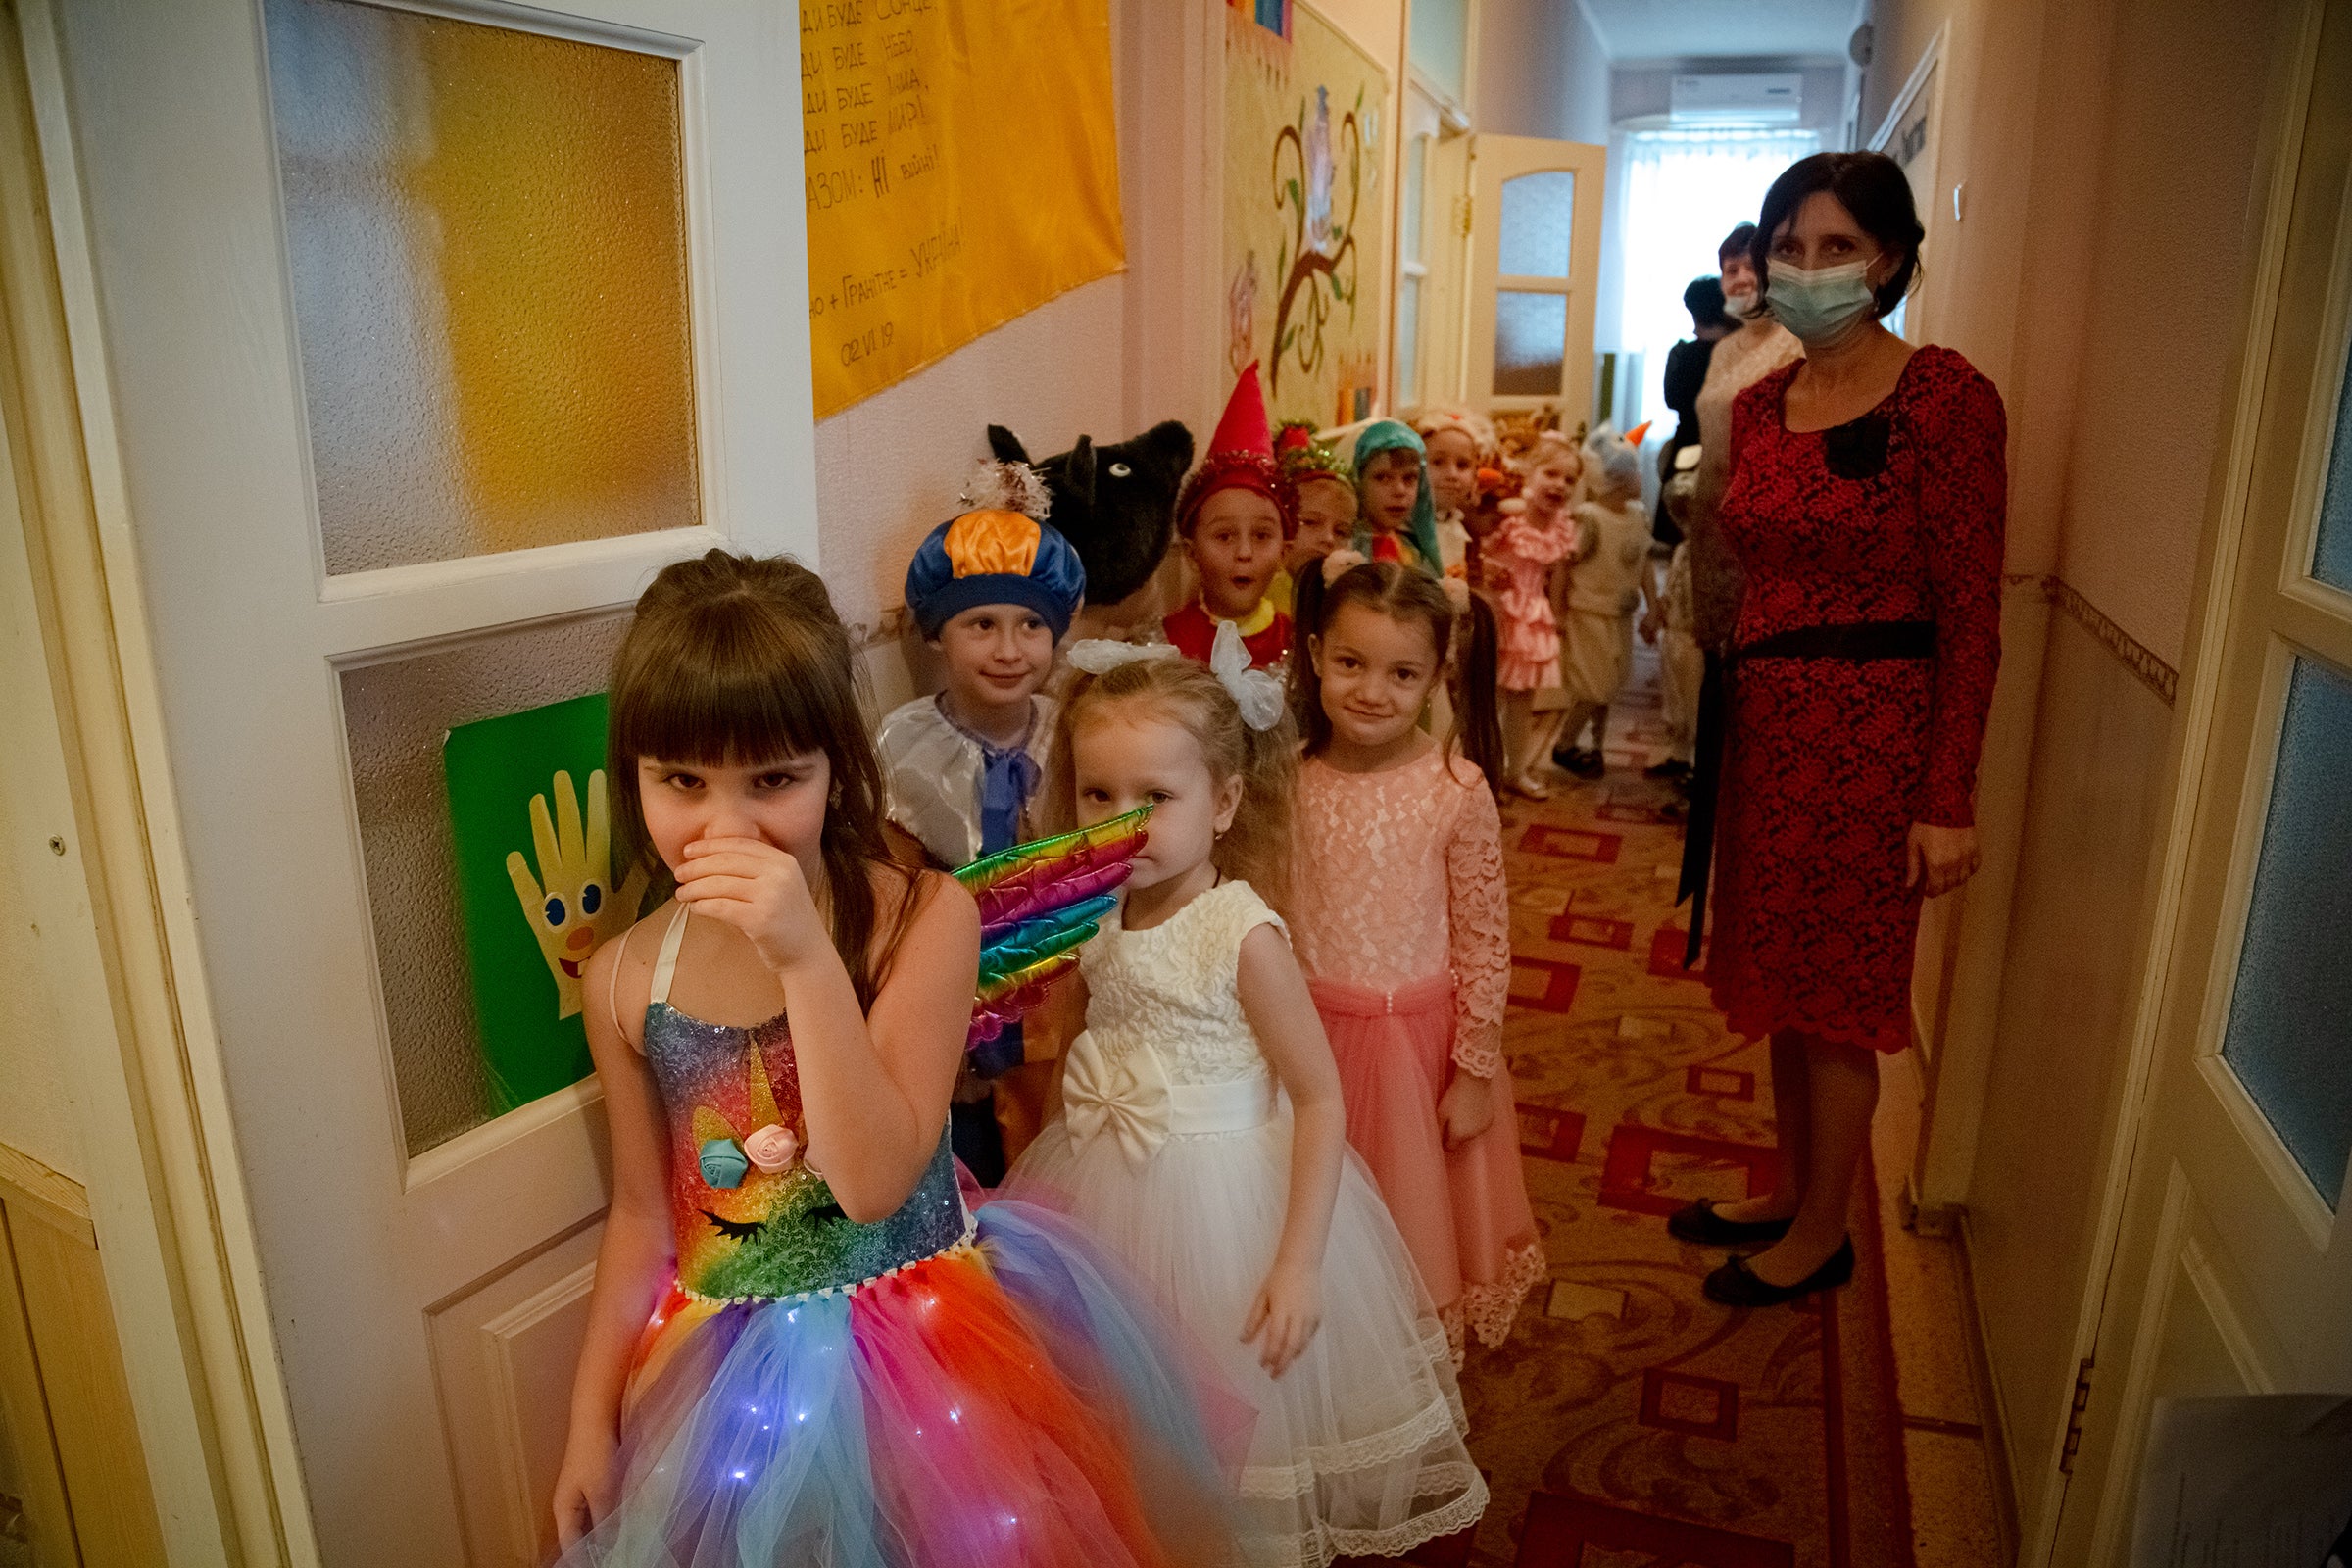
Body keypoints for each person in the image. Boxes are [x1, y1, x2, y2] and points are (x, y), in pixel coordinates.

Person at [550, 551, 1236, 1565]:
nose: (725, 824)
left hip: (930, 1355)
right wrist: (587, 1421)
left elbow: (871, 1178)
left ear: (839, 768)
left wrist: (800, 954)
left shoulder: (924, 918)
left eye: (774, 778)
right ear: (635, 775)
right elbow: (647, 1215)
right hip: (724, 1388)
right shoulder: (622, 980)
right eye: (680, 780)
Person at [1004, 634, 1487, 1567]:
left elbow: (1317, 1097)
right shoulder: (1099, 908)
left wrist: (1299, 1263)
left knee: (1229, 1421)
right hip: (1102, 1192)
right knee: (1122, 1405)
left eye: (1156, 798)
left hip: (1228, 1209)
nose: (1121, 822)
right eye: (1098, 794)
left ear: (1223, 803)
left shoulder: (1241, 932)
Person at [1675, 151, 2005, 1308]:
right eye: (1790, 249)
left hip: (1876, 741)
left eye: (1837, 248)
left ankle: (1826, 1229)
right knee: (1775, 980)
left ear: (1894, 257)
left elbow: (1971, 610)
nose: (1808, 270)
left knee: (1838, 1003)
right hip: (1769, 727)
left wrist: (1946, 794)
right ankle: (1785, 1187)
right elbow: (1735, 557)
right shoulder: (1760, 405)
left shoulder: (1945, 399)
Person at [1287, 560, 1540, 1366]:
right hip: (1309, 1036)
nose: (1372, 691)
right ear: (1317, 654)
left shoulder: (1454, 788)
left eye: (1403, 674)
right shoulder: (1290, 776)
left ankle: (1403, 1359)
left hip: (1415, 1053)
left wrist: (1472, 1069)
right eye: (1352, 664)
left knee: (1413, 1212)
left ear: (1438, 676)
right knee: (1315, 1214)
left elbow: (1484, 937)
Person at [877, 464, 1087, 1181]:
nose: (1009, 649)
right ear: (937, 633)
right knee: (969, 1176)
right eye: (982, 625)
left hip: (1063, 1003)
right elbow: (895, 895)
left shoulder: (1075, 735)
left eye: (1032, 625)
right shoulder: (903, 749)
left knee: (1059, 1170)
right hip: (952, 997)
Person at [1158, 366, 1296, 671]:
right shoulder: (1165, 646)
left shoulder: (1301, 647)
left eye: (1262, 536)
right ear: (1193, 554)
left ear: (1284, 552)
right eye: (1224, 536)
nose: (1244, 553)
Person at [1551, 424, 1655, 782]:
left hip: (1619, 614)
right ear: (1616, 479)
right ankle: (1565, 743)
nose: (1640, 477)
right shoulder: (1590, 519)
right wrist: (1558, 612)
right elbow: (1564, 567)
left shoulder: (1637, 516)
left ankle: (1596, 744)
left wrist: (1653, 608)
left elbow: (1642, 566)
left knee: (1609, 684)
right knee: (1591, 686)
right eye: (1633, 472)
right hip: (1589, 613)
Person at [1485, 432, 1581, 797]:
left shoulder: (1561, 527)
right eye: (1551, 474)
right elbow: (1485, 555)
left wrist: (1557, 616)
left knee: (1523, 701)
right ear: (1530, 473)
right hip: (1501, 610)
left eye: (1569, 479)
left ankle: (1517, 769)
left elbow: (1557, 574)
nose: (1560, 485)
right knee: (1490, 698)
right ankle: (1485, 769)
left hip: (1533, 615)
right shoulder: (1509, 516)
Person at [1642, 445, 1706, 787]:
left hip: (1696, 637)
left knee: (1696, 701)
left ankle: (1697, 762)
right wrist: (1658, 612)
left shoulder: (1711, 555)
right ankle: (1679, 753)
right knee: (1676, 697)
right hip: (1675, 634)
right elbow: (1674, 587)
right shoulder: (1682, 549)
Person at [1654, 275, 1734, 548]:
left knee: (1682, 534)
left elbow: (1672, 400)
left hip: (1688, 439)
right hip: (1726, 444)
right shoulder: (1738, 353)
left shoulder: (1682, 354)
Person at [1276, 420, 1357, 616]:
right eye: (1310, 522)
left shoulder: (1346, 600)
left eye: (1341, 532)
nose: (1328, 539)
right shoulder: (1265, 602)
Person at [1348, 420, 1446, 576]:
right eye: (1383, 478)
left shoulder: (1411, 550)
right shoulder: (1347, 551)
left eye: (1409, 479)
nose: (1400, 491)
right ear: (1359, 481)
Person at [1413, 408, 1496, 580]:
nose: (1452, 474)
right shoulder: (1409, 528)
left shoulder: (1457, 523)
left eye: (1462, 465)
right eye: (1437, 462)